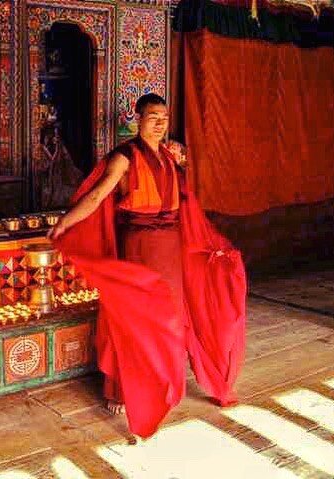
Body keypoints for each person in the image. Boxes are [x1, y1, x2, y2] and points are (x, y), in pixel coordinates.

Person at [47, 93, 246, 438]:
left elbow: (185, 204)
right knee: (133, 318)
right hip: (139, 244)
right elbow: (96, 196)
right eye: (153, 116)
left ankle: (163, 376)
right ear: (136, 119)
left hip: (170, 245)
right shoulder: (124, 157)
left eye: (165, 117)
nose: (160, 123)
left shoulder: (169, 157)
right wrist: (65, 223)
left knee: (170, 316)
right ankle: (122, 389)